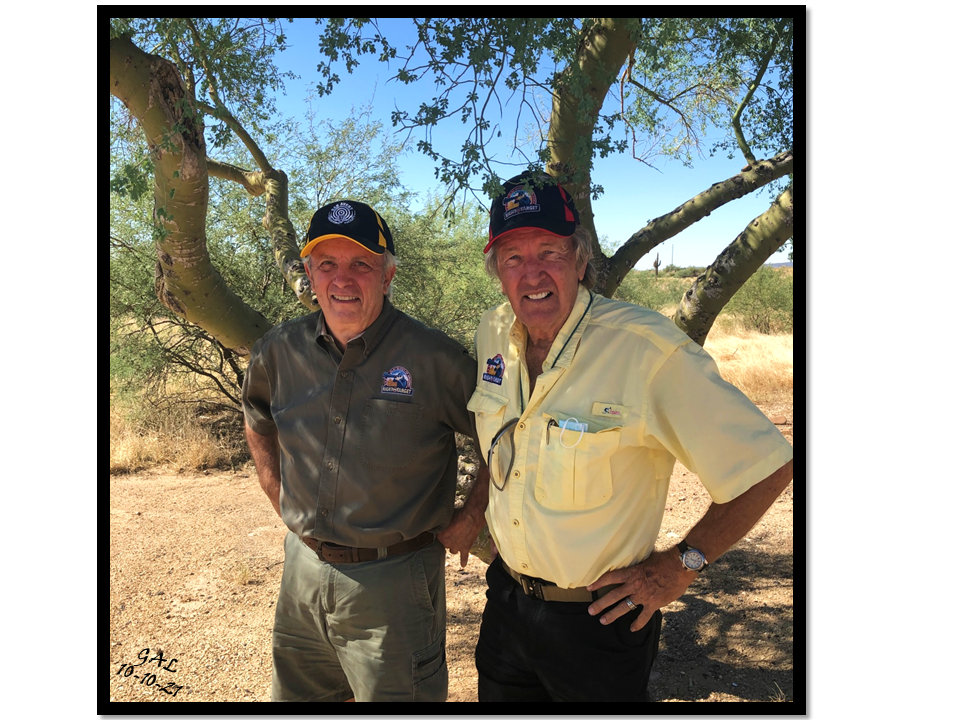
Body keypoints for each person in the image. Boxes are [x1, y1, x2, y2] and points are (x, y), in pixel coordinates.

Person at [445, 171, 794, 702]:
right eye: (513, 257)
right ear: (498, 272)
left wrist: (681, 567)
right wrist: (475, 510)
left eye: (549, 251)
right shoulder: (493, 331)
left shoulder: (647, 351)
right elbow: (505, 438)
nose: (531, 272)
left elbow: (767, 465)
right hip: (506, 601)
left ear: (581, 261)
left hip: (599, 622)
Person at [242, 199, 480, 702]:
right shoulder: (279, 350)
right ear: (308, 273)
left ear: (388, 275)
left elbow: (505, 440)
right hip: (302, 573)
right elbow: (257, 416)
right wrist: (274, 487)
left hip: (395, 582)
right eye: (326, 264)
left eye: (360, 265)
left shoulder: (436, 359)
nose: (342, 280)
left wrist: (473, 516)